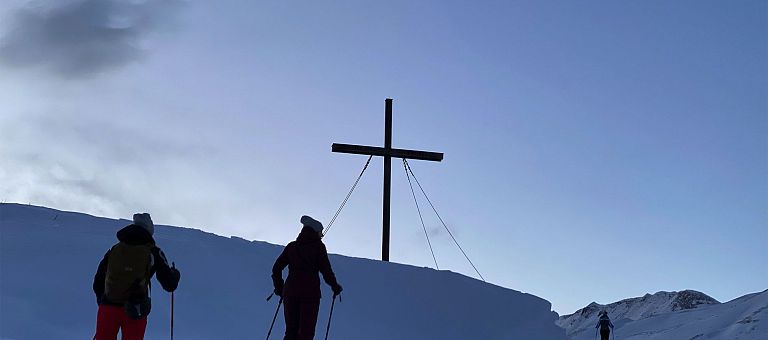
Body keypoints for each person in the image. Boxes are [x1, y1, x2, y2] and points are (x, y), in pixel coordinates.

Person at [93, 213, 181, 340]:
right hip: (136, 309)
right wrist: (175, 274)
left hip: (108, 307)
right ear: (150, 230)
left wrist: (104, 301)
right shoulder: (153, 251)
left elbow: (98, 280)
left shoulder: (115, 249)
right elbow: (169, 284)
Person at [272, 215, 343, 340]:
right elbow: (326, 271)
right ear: (315, 232)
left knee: (291, 331)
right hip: (310, 293)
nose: (321, 235)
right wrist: (335, 286)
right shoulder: (319, 247)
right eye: (320, 232)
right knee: (306, 333)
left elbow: (276, 268)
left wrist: (280, 288)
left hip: (290, 292)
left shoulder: (292, 246)